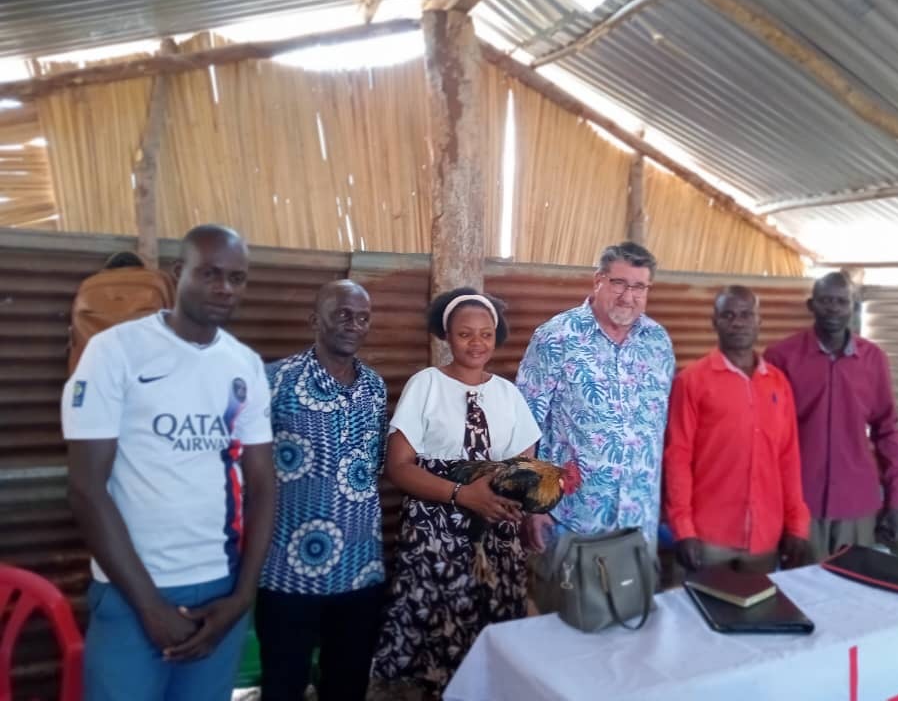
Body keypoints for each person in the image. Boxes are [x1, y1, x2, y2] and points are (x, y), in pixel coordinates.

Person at [62, 225, 275, 701]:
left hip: (219, 592)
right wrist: (149, 606)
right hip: (132, 591)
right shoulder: (114, 352)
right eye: (210, 274)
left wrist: (242, 597)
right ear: (179, 273)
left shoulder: (244, 365)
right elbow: (86, 488)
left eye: (236, 278)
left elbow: (263, 484)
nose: (224, 288)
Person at [374, 287, 541, 696]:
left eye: (486, 333)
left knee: (493, 632)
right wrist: (462, 494)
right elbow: (398, 467)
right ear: (446, 335)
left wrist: (516, 500)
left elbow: (525, 467)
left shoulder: (508, 394)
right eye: (465, 334)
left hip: (494, 537)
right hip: (435, 538)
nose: (476, 343)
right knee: (440, 632)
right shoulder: (426, 385)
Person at [256, 280, 388, 701]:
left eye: (363, 317)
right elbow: (247, 471)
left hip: (360, 568)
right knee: (283, 686)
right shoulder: (274, 381)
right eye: (343, 314)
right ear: (315, 320)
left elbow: (374, 466)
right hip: (286, 570)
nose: (354, 324)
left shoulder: (375, 388)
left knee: (347, 686)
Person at [516, 242, 675, 555]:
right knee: (568, 589)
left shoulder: (658, 342)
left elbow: (658, 430)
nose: (628, 297)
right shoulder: (556, 336)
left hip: (639, 517)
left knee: (633, 589)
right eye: (619, 283)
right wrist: (532, 505)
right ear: (598, 280)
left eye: (639, 287)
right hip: (571, 516)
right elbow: (524, 423)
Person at [665, 286, 810, 574]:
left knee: (762, 604)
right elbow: (677, 458)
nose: (738, 323)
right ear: (715, 322)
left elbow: (788, 459)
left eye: (746, 315)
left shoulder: (778, 383)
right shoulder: (692, 381)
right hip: (707, 538)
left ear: (759, 321)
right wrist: (683, 528)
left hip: (765, 538)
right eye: (728, 315)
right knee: (702, 604)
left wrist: (796, 524)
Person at [765, 271, 898, 561]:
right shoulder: (780, 357)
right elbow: (766, 436)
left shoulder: (873, 359)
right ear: (811, 305)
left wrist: (895, 503)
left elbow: (887, 431)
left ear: (853, 307)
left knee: (852, 585)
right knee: (800, 584)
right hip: (800, 502)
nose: (833, 308)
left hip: (857, 503)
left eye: (842, 302)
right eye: (825, 300)